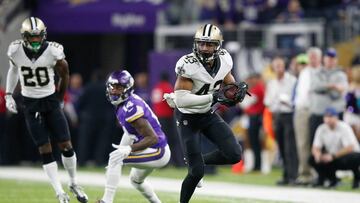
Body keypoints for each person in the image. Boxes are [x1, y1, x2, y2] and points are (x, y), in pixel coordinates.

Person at [4, 17, 88, 203]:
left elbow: (65, 73)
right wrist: (8, 94)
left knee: (66, 144)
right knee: (44, 147)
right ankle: (59, 191)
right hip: (30, 102)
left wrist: (60, 97)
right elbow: (13, 70)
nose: (35, 41)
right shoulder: (15, 49)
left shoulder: (53, 50)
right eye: (31, 37)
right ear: (24, 36)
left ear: (44, 35)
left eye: (37, 37)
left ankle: (74, 183)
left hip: (50, 100)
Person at [163, 24, 244, 203]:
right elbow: (182, 100)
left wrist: (234, 93)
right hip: (187, 117)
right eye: (201, 44)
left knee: (234, 154)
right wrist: (214, 97)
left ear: (218, 46)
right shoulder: (188, 64)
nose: (205, 48)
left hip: (207, 114)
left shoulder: (224, 60)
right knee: (196, 172)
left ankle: (197, 160)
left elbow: (229, 84)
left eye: (209, 44)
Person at [97, 70, 171, 203]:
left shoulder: (131, 107)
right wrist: (122, 147)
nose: (114, 91)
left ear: (127, 88)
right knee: (136, 181)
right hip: (150, 148)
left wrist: (128, 149)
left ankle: (107, 200)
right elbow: (129, 133)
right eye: (112, 87)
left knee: (114, 159)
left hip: (158, 150)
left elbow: (152, 138)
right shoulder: (123, 104)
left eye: (119, 87)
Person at [264, 57, 298, 185]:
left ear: (284, 66)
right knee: (282, 147)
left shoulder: (292, 80)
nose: (278, 68)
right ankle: (285, 175)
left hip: (289, 114)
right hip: (276, 116)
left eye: (280, 65)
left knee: (290, 147)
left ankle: (293, 176)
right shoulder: (272, 83)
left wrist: (286, 101)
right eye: (276, 66)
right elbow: (267, 101)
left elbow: (295, 99)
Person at [310, 107, 360, 189]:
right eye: (326, 117)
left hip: (346, 155)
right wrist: (317, 155)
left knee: (354, 158)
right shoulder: (321, 128)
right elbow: (315, 146)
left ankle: (357, 179)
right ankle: (330, 179)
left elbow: (350, 147)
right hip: (333, 157)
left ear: (336, 117)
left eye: (330, 117)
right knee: (312, 159)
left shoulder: (344, 127)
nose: (328, 119)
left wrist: (333, 156)